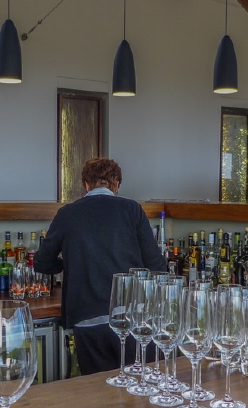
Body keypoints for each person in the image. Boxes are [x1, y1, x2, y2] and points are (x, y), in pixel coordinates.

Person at [34, 158, 166, 375]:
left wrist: (70, 264)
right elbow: (156, 266)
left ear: (86, 184)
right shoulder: (132, 209)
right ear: (117, 185)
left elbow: (42, 262)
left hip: (88, 320)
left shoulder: (67, 213)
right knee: (140, 385)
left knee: (98, 390)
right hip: (133, 318)